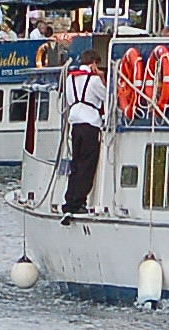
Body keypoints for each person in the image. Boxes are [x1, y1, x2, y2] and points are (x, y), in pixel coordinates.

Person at [59, 36, 108, 220]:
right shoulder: (94, 80)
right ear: (94, 63)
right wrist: (102, 78)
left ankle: (69, 200)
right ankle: (79, 202)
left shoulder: (70, 79)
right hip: (90, 123)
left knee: (76, 164)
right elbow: (106, 97)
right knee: (88, 164)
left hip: (75, 122)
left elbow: (70, 100)